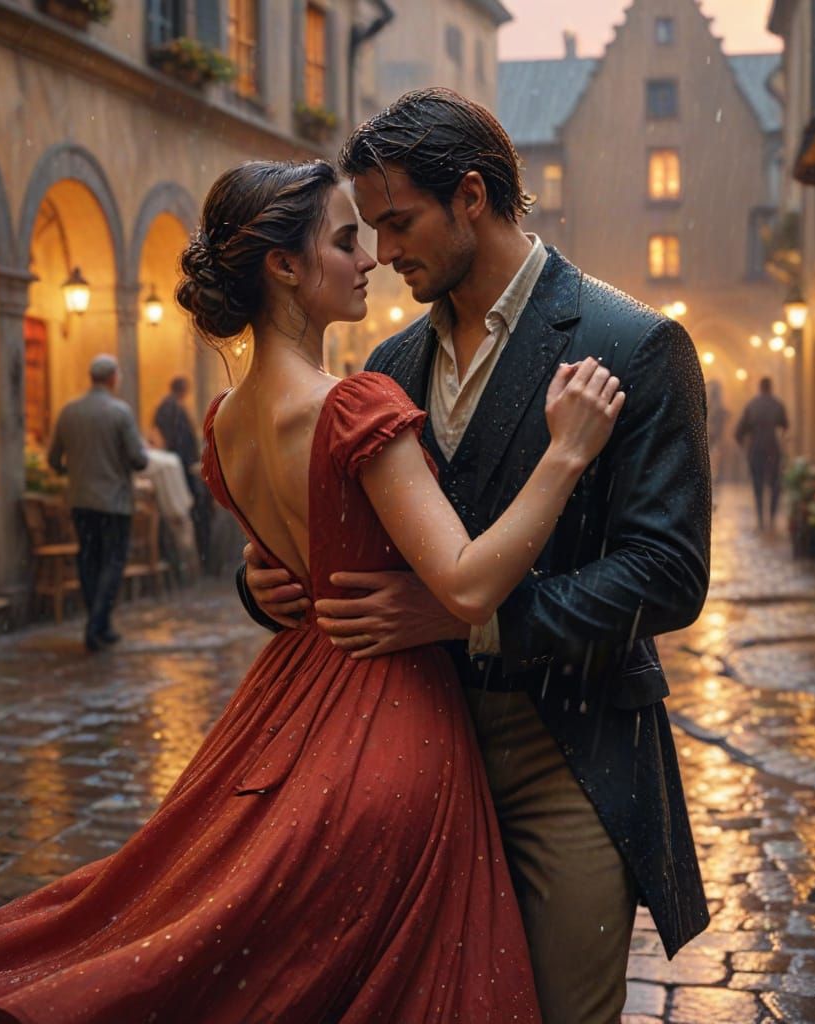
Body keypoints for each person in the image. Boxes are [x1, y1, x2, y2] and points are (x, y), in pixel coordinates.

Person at [0, 160, 623, 1023]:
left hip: (288, 702)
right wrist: (566, 453)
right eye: (346, 238)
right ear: (285, 265)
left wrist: (266, 578)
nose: (371, 259)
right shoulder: (355, 404)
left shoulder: (225, 421)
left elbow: (288, 557)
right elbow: (467, 584)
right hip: (389, 717)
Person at [241, 88, 711, 1023]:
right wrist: (267, 584)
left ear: (470, 196)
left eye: (398, 220)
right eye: (365, 229)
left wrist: (476, 614)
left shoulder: (635, 343)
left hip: (567, 751)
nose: (379, 251)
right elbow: (352, 534)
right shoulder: (388, 363)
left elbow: (667, 573)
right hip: (407, 750)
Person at [46, 354, 148, 652]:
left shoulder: (69, 412)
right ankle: (96, 625)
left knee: (89, 560)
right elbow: (139, 460)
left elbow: (53, 460)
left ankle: (99, 624)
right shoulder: (120, 412)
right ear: (113, 378)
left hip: (80, 501)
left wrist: (76, 473)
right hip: (114, 502)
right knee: (113, 562)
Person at [153, 375, 213, 569]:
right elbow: (182, 441)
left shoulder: (166, 407)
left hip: (180, 465)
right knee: (194, 511)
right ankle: (199, 559)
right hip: (182, 468)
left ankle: (190, 559)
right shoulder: (174, 409)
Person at [735, 375, 788, 530]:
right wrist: (782, 442)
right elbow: (785, 426)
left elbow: (739, 432)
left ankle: (760, 518)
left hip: (756, 449)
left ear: (760, 387)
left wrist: (745, 447)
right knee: (775, 485)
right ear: (771, 387)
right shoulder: (777, 405)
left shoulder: (752, 405)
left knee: (757, 484)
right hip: (772, 448)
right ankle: (771, 518)